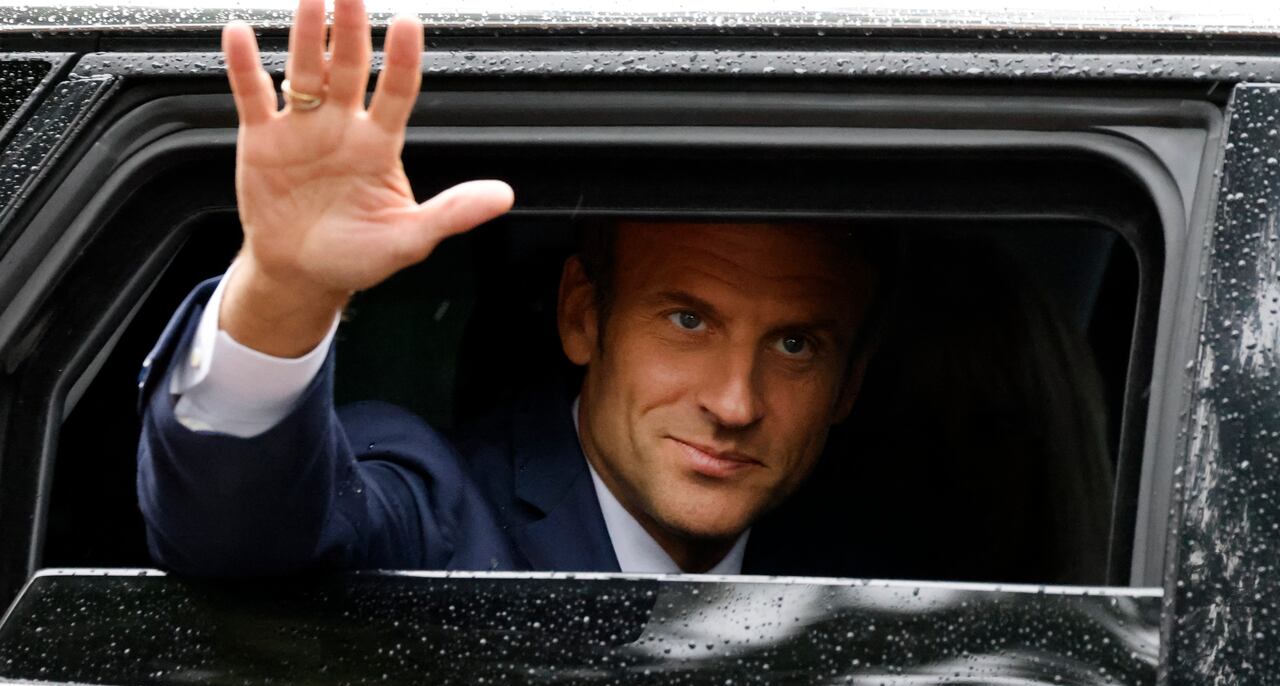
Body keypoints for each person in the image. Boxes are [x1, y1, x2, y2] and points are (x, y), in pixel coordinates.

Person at [135, 0, 881, 577]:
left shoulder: (886, 568)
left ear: (850, 384)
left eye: (795, 344)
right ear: (583, 316)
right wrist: (285, 291)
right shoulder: (441, 516)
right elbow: (237, 532)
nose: (735, 403)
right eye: (687, 320)